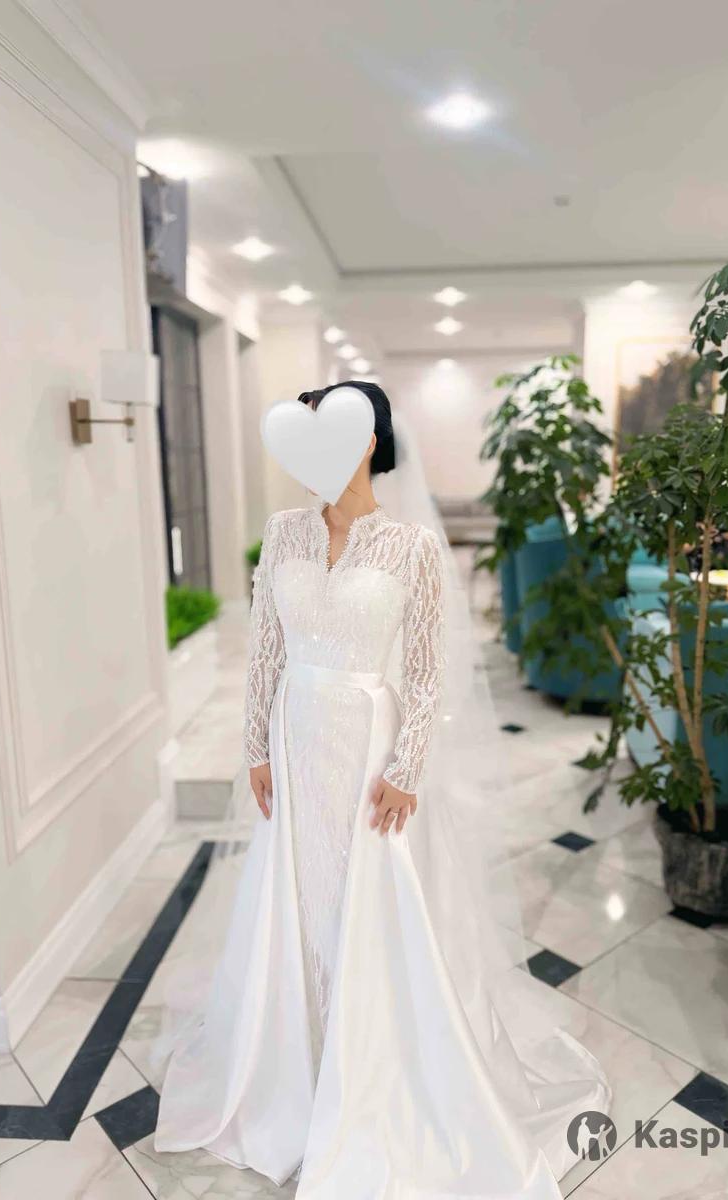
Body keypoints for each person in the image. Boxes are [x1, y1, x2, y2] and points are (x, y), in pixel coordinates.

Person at [154, 381, 609, 1198]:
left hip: (368, 745)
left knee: (371, 898)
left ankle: (370, 1066)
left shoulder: (411, 547)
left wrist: (405, 768)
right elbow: (265, 651)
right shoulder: (284, 533)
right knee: (298, 894)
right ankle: (296, 1062)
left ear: (365, 441)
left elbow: (429, 672)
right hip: (294, 737)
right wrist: (254, 744)